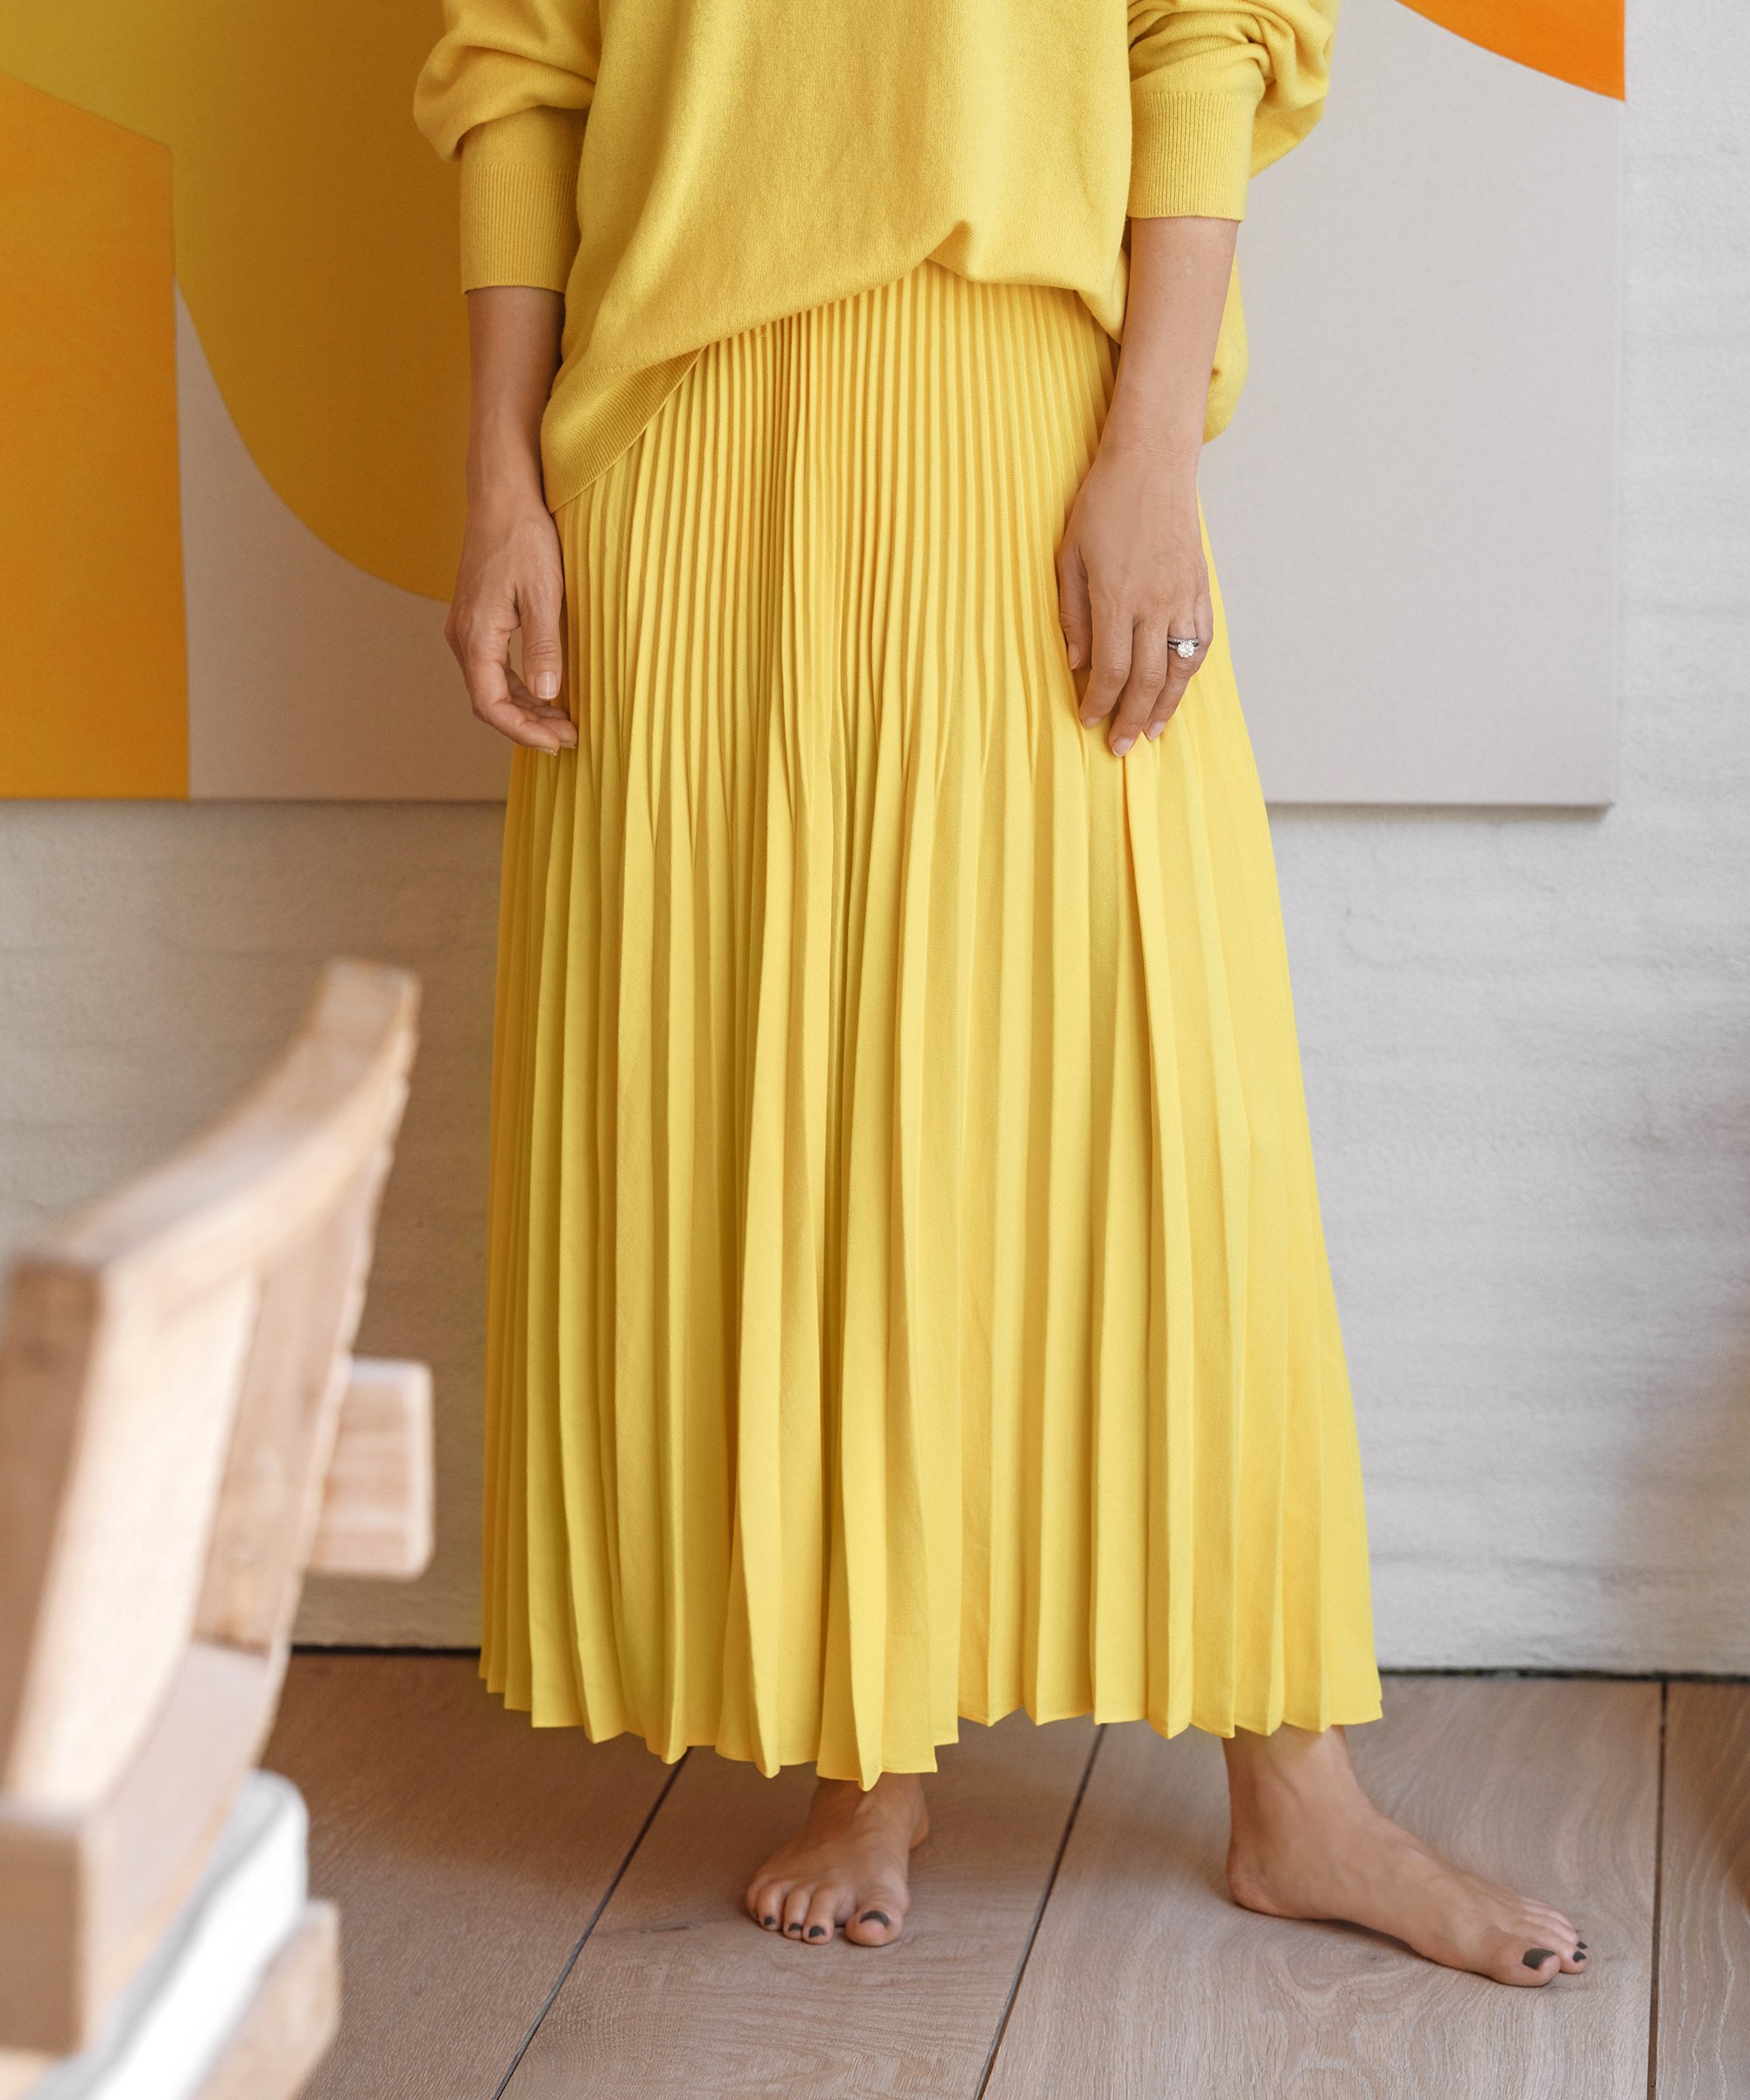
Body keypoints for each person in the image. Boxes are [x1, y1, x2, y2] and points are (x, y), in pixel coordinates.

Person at [416, 0, 1586, 1986]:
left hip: (1026, 413)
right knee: (774, 1128)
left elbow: (1204, 35)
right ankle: (865, 1747)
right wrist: (499, 482)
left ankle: (1294, 1789)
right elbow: (518, 69)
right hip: (684, 446)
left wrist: (1148, 447)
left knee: (1160, 1118)